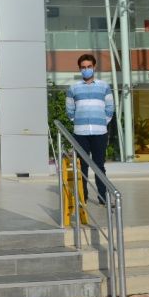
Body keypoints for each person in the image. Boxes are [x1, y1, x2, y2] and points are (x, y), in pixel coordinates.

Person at [66, 54, 114, 205]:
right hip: (80, 133)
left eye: (89, 66)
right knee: (82, 166)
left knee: (99, 166)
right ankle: (83, 197)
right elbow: (70, 110)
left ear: (94, 67)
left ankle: (103, 198)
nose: (86, 69)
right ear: (79, 69)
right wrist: (77, 122)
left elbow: (110, 108)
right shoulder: (73, 88)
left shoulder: (104, 86)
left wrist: (101, 122)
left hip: (100, 132)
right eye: (83, 67)